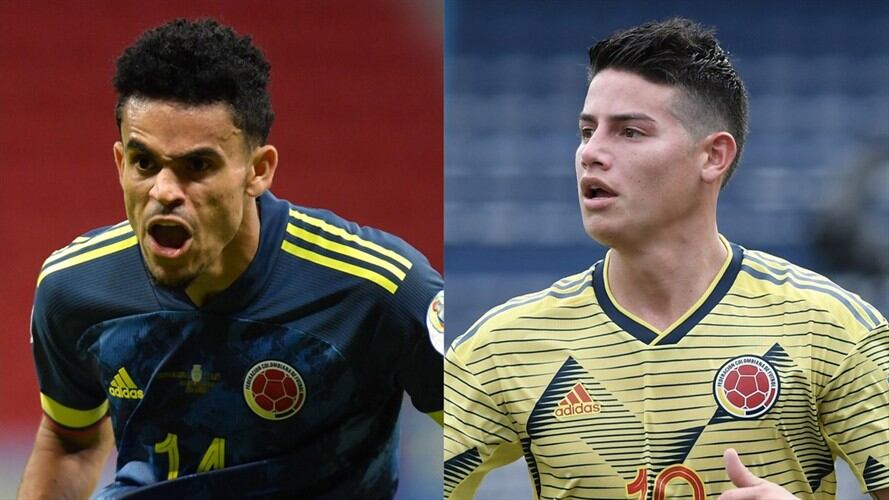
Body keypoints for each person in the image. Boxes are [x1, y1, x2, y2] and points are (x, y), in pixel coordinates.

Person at [444, 18, 888, 500]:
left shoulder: (828, 327)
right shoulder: (505, 345)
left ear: (713, 156)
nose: (591, 153)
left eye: (630, 132)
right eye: (587, 131)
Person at [19, 18, 444, 499]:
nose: (163, 191)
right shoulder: (75, 289)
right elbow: (70, 441)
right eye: (144, 162)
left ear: (258, 170)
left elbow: (483, 426)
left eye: (197, 166)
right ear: (120, 162)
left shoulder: (378, 291)